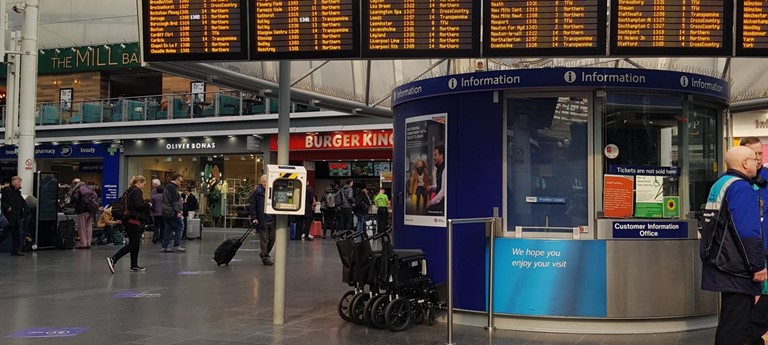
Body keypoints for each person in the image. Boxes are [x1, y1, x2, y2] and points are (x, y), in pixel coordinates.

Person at [701, 146, 766, 345]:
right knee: (735, 326)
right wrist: (758, 265)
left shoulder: (721, 184)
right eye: (754, 159)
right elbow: (747, 232)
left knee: (731, 320)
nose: (758, 162)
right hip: (736, 266)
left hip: (721, 262)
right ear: (745, 163)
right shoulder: (741, 188)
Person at [740, 137, 768, 344]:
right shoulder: (738, 182)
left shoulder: (766, 177)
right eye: (754, 154)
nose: (758, 159)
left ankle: (752, 335)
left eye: (760, 154)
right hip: (746, 250)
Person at [107, 175, 149, 273]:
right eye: (143, 184)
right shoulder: (137, 191)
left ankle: (134, 265)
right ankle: (114, 258)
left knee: (135, 243)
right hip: (134, 220)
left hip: (128, 220)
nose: (144, 186)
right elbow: (138, 206)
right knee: (133, 243)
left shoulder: (129, 191)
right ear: (139, 183)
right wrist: (147, 205)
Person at [249, 174, 275, 266]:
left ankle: (264, 253)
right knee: (264, 240)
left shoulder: (272, 191)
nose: (265, 183)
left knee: (272, 239)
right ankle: (265, 257)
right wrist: (254, 217)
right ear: (261, 182)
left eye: (266, 181)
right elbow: (253, 206)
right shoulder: (257, 192)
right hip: (262, 219)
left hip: (272, 218)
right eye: (264, 181)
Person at [0, 176, 27, 256]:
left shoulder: (18, 193)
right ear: (13, 182)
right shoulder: (6, 191)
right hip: (9, 217)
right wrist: (7, 207)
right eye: (18, 182)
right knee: (5, 234)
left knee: (17, 234)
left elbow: (20, 204)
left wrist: (22, 214)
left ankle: (15, 250)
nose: (19, 184)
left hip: (16, 217)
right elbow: (2, 202)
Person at [71, 178, 100, 249]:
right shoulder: (89, 188)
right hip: (90, 210)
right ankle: (88, 243)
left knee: (82, 227)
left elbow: (74, 200)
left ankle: (83, 244)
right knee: (89, 227)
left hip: (82, 210)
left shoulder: (78, 189)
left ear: (75, 183)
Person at [161, 174, 185, 253]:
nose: (180, 183)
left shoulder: (167, 187)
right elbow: (174, 201)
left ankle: (164, 246)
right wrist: (178, 211)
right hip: (172, 211)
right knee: (180, 226)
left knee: (168, 228)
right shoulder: (172, 188)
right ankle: (176, 245)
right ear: (177, 180)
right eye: (180, 181)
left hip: (165, 211)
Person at [427, 145, 446, 214]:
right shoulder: (438, 168)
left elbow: (443, 191)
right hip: (439, 201)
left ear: (441, 155)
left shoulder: (444, 169)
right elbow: (440, 185)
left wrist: (431, 202)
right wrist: (432, 187)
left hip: (443, 203)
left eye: (435, 155)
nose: (433, 157)